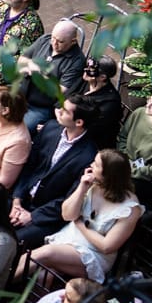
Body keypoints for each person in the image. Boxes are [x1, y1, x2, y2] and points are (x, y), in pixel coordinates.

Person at [21, 148, 142, 283]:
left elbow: (107, 246)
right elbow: (67, 215)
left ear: (108, 174)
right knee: (45, 274)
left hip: (94, 255)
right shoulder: (93, 185)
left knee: (45, 253)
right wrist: (82, 187)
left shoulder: (130, 208)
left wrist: (80, 224)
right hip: (69, 239)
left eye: (96, 164)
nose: (91, 165)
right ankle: (9, 286)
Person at [9, 95, 98, 248]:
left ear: (79, 122)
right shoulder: (50, 128)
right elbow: (30, 165)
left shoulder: (89, 155)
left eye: (65, 111)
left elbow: (70, 196)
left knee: (11, 242)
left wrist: (33, 216)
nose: (58, 111)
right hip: (22, 199)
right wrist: (17, 199)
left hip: (46, 215)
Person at [17, 20, 87, 136]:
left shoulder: (77, 61)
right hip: (21, 94)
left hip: (40, 107)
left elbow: (61, 91)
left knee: (20, 129)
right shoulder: (45, 39)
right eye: (53, 38)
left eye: (60, 41)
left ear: (73, 42)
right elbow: (22, 59)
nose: (54, 43)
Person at [76, 55, 124, 150]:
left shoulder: (111, 102)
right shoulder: (85, 81)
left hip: (92, 143)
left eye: (91, 70)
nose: (85, 71)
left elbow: (91, 128)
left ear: (102, 77)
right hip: (74, 127)